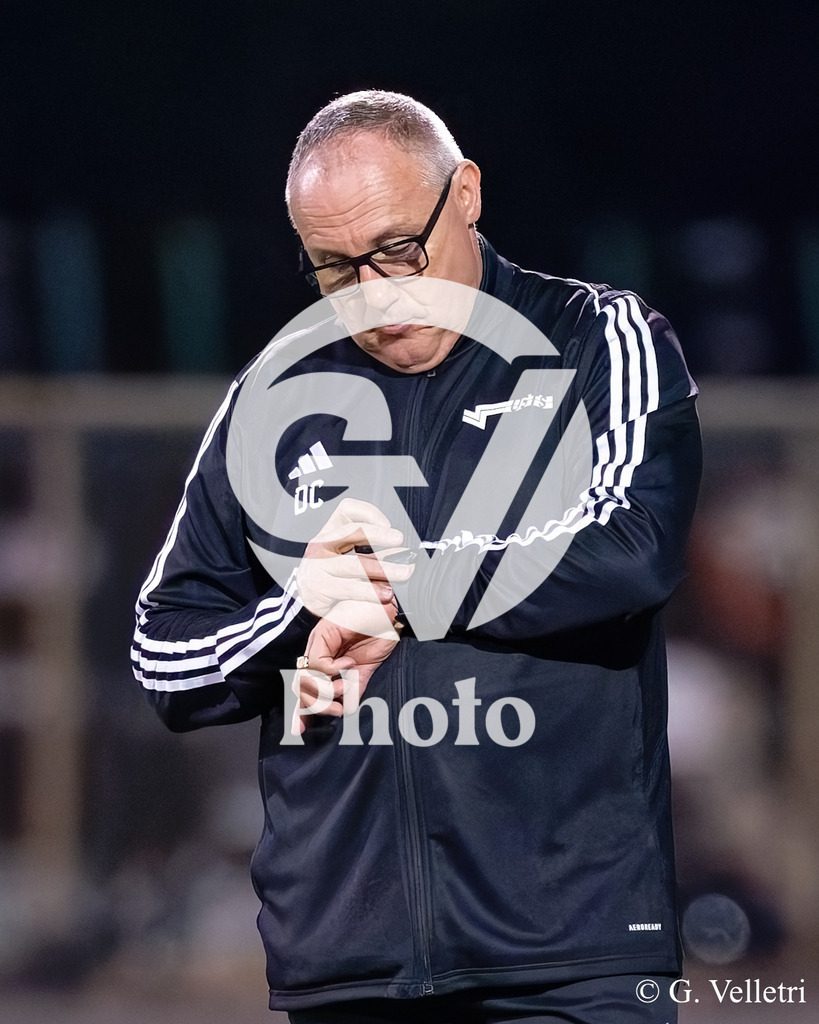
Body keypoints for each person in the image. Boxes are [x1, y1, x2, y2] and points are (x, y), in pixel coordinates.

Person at [132, 90, 701, 1023]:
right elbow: (163, 652)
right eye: (335, 268)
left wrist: (404, 578)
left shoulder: (599, 340)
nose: (378, 292)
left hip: (573, 962)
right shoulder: (271, 397)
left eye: (400, 248)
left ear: (465, 194)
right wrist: (295, 615)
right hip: (347, 969)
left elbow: (632, 547)